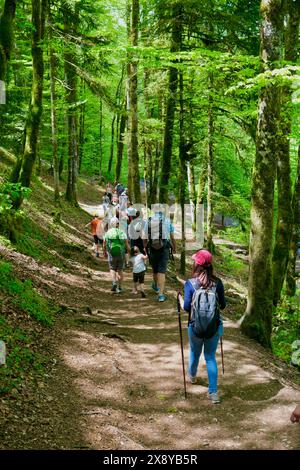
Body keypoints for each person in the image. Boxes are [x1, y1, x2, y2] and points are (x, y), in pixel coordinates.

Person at [181, 249, 226, 404]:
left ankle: (192, 376)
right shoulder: (218, 283)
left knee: (195, 351)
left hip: (195, 327)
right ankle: (213, 393)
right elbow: (224, 306)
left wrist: (180, 301)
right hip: (213, 328)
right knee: (210, 357)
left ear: (197, 264)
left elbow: (187, 307)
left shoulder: (190, 284)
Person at [143, 205, 176, 302]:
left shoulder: (148, 221)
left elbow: (144, 236)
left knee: (155, 269)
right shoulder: (167, 221)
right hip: (164, 248)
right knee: (162, 271)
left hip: (152, 247)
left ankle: (155, 284)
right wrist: (174, 247)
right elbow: (172, 237)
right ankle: (161, 295)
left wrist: (145, 248)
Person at [103, 217, 130, 293]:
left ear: (111, 224)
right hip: (121, 253)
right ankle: (120, 287)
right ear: (118, 224)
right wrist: (130, 253)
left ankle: (114, 282)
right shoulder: (122, 232)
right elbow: (127, 245)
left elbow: (104, 244)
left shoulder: (107, 233)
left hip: (111, 253)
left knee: (112, 269)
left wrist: (104, 252)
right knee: (120, 270)